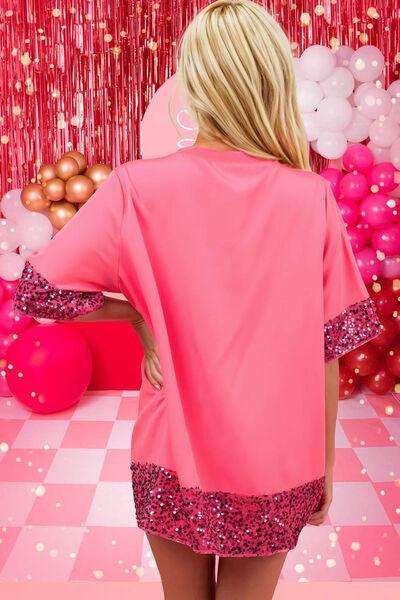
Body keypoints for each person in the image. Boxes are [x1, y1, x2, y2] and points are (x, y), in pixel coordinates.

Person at [13, 0, 382, 598]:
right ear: (272, 82)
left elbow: (39, 292)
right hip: (278, 460)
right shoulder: (309, 196)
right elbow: (328, 347)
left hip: (173, 452)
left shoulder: (136, 187)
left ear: (196, 84)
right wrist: (327, 467)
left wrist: (135, 316)